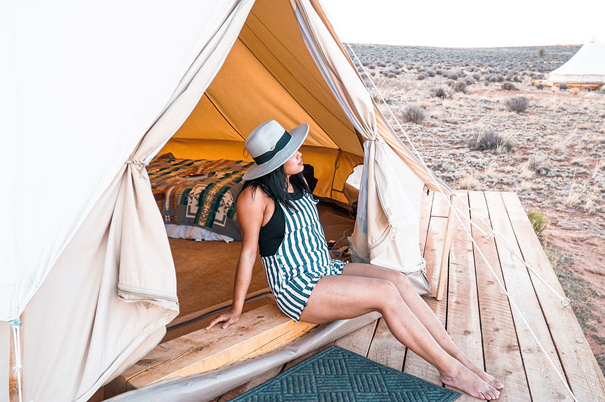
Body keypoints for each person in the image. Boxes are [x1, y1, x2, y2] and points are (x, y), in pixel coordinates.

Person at [206, 119, 503, 400]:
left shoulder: (298, 179)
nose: (299, 152)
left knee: (398, 279)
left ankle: (460, 359)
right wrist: (236, 309)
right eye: (289, 151)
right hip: (298, 288)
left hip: (326, 269)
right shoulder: (254, 197)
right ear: (273, 161)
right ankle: (450, 372)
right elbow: (248, 253)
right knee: (385, 293)